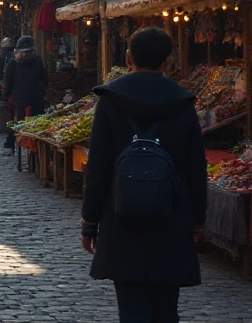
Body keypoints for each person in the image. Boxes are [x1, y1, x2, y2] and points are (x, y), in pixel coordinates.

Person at [81, 27, 207, 323]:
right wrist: (198, 218)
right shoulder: (183, 103)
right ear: (168, 62)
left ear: (128, 58)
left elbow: (97, 167)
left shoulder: (111, 100)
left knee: (131, 304)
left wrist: (90, 222)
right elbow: (195, 167)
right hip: (171, 217)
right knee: (166, 306)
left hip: (121, 215)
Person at [3, 35, 48, 156]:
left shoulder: (13, 64)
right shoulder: (37, 61)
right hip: (35, 97)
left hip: (20, 98)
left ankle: (10, 145)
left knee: (16, 121)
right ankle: (36, 147)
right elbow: (44, 79)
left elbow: (8, 82)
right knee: (35, 122)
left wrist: (6, 95)